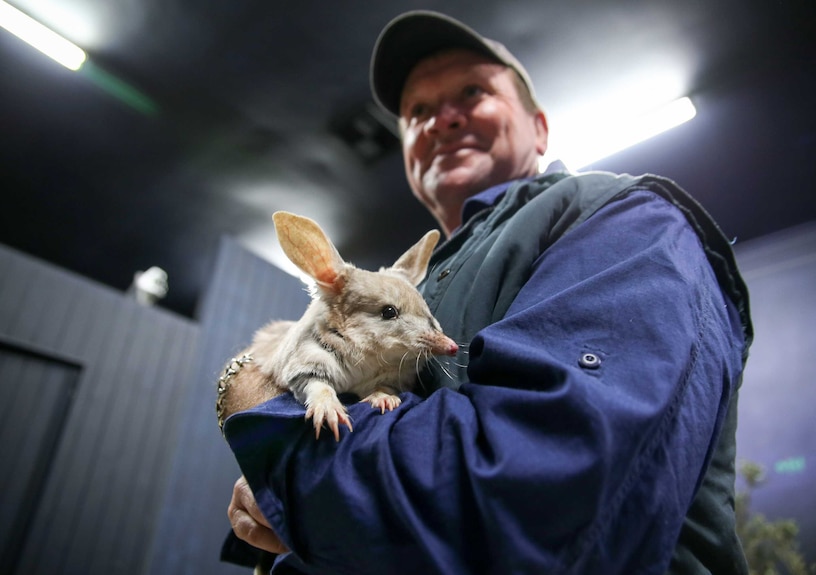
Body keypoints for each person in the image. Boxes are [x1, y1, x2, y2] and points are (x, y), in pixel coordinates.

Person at [221, 10, 753, 574]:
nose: (440, 121)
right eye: (417, 112)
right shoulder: (409, 277)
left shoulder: (621, 218)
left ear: (540, 127)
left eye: (472, 92)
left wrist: (265, 422)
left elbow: (539, 500)